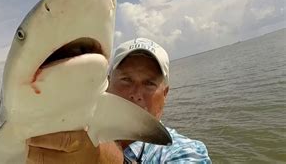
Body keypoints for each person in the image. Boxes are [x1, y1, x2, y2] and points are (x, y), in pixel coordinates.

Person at [27, 38, 211, 163]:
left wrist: (102, 159)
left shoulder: (183, 151)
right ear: (107, 84)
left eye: (149, 83)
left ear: (165, 94)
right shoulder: (74, 132)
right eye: (126, 80)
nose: (136, 93)